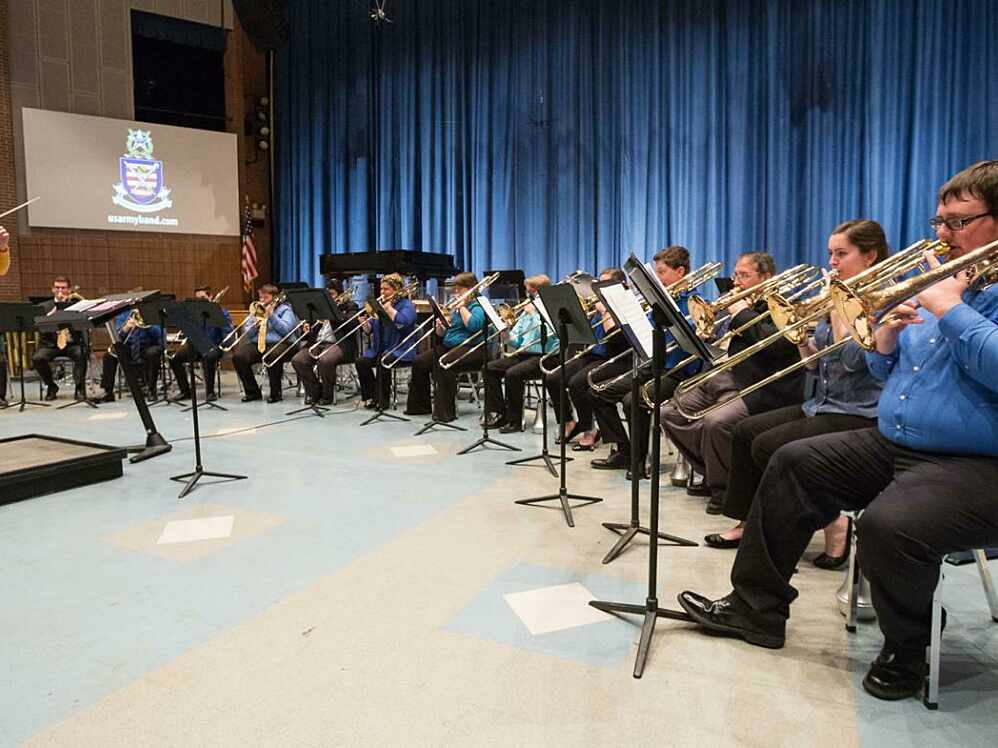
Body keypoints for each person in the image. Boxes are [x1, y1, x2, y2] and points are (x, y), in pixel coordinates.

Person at [677, 160, 998, 703]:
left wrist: (952, 312)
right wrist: (886, 345)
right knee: (792, 462)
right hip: (898, 441)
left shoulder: (954, 294)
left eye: (957, 222)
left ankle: (909, 648)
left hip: (975, 463)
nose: (940, 234)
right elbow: (884, 372)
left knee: (891, 525)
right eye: (938, 220)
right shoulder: (946, 280)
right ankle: (756, 609)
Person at [703, 221, 888, 563]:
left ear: (870, 255)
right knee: (745, 433)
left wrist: (837, 311)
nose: (832, 261)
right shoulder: (836, 294)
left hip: (858, 412)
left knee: (769, 446)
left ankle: (823, 521)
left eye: (841, 253)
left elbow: (851, 361)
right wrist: (802, 341)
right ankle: (750, 521)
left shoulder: (878, 299)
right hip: (821, 403)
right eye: (831, 253)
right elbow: (813, 366)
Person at [661, 252, 805, 514]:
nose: (736, 281)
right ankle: (712, 471)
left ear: (766, 277)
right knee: (669, 412)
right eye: (736, 274)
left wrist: (741, 313)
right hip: (725, 373)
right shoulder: (740, 301)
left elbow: (779, 346)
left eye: (745, 275)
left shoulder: (784, 303)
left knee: (717, 422)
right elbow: (721, 340)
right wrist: (710, 330)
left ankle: (725, 490)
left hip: (759, 383)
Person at [588, 246, 696, 479]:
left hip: (679, 371)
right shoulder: (657, 301)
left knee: (633, 400)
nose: (658, 279)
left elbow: (691, 342)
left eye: (662, 273)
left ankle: (638, 460)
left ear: (680, 271)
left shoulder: (695, 302)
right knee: (598, 391)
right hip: (653, 365)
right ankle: (625, 450)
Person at [544, 268, 630, 446]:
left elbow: (615, 340)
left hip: (614, 356)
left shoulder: (626, 304)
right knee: (553, 378)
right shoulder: (599, 303)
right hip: (594, 353)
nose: (598, 289)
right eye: (598, 284)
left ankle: (588, 429)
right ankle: (568, 422)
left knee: (577, 383)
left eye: (604, 285)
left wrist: (607, 311)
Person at [405, 272, 485, 423]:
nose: (455, 293)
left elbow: (474, 326)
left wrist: (461, 308)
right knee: (420, 362)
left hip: (473, 348)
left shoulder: (478, 304)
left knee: (444, 363)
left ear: (470, 288)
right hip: (451, 345)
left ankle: (445, 413)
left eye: (459, 289)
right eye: (455, 289)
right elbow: (447, 332)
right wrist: (440, 328)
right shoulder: (457, 307)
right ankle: (420, 406)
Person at [483, 274, 555, 433]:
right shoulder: (528, 310)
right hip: (524, 354)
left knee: (513, 374)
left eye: (532, 293)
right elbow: (517, 341)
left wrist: (534, 315)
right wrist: (506, 334)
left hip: (545, 356)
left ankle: (514, 420)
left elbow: (548, 333)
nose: (529, 296)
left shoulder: (552, 308)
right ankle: (500, 413)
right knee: (490, 368)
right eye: (529, 293)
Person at [289, 280, 359, 405]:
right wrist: (307, 330)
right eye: (327, 294)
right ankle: (315, 391)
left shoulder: (350, 306)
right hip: (318, 342)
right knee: (298, 360)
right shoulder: (319, 308)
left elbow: (352, 324)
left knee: (325, 360)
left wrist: (334, 313)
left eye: (332, 294)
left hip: (339, 344)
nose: (329, 297)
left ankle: (327, 396)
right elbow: (313, 330)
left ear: (339, 294)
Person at [355, 273, 418, 410]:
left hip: (400, 349)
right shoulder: (380, 305)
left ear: (396, 290)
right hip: (380, 348)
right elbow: (371, 328)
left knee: (383, 360)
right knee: (361, 362)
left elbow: (404, 323)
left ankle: (382, 401)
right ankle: (371, 396)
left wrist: (390, 309)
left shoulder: (407, 305)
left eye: (386, 289)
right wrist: (366, 325)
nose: (382, 292)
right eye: (381, 289)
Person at [232, 284, 298, 403]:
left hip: (283, 343)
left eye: (265, 297)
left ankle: (275, 393)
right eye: (261, 297)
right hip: (260, 343)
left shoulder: (285, 310)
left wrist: (271, 316)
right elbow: (248, 333)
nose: (262, 300)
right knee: (239, 356)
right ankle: (252, 392)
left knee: (271, 355)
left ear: (274, 298)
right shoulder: (257, 309)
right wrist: (254, 326)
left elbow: (287, 331)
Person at [169, 285, 233, 402]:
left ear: (210, 296)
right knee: (174, 359)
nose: (200, 302)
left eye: (203, 298)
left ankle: (210, 392)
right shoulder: (194, 314)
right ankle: (185, 391)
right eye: (198, 299)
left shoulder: (221, 312)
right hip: (197, 345)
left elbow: (228, 333)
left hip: (215, 346)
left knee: (208, 356)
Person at [33, 276, 88, 401]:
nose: (60, 290)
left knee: (82, 354)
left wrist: (71, 309)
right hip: (50, 344)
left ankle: (79, 388)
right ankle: (51, 386)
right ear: (53, 289)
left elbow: (83, 324)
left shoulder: (77, 305)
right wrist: (52, 313)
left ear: (69, 290)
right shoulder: (44, 306)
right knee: (38, 358)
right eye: (57, 287)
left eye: (63, 288)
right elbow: (39, 326)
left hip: (72, 343)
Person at [99, 308, 164, 401]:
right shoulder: (123, 315)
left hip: (147, 345)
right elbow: (117, 337)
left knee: (153, 353)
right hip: (129, 346)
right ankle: (108, 391)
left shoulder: (151, 313)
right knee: (109, 356)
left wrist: (148, 325)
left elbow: (160, 334)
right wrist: (126, 328)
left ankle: (151, 390)